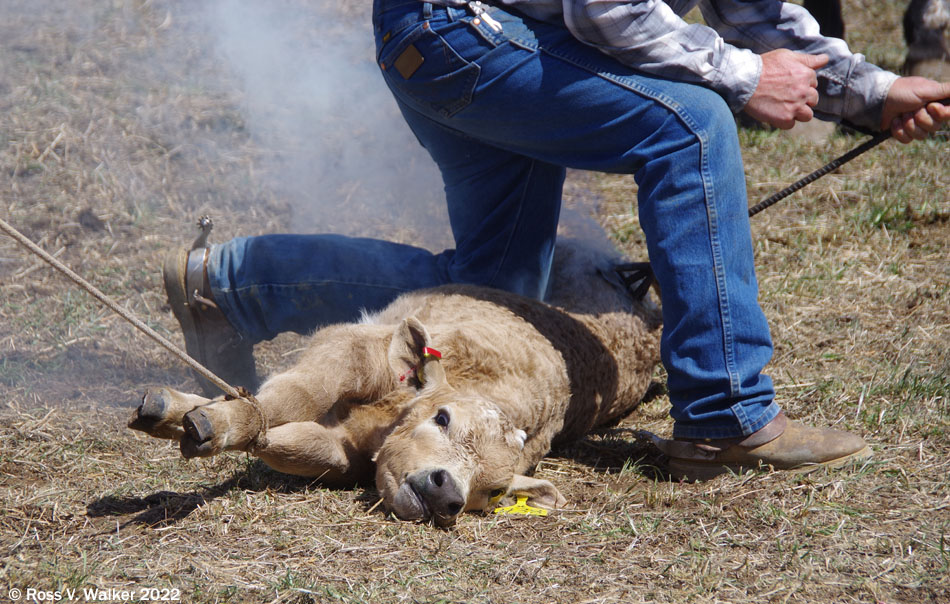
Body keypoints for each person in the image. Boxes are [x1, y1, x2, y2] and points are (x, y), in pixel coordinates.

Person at [164, 0, 950, 481]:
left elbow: (758, 12)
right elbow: (607, 9)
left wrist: (873, 93)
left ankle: (232, 285)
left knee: (496, 295)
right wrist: (744, 81)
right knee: (692, 127)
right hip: (460, 30)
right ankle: (725, 415)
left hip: (450, 32)